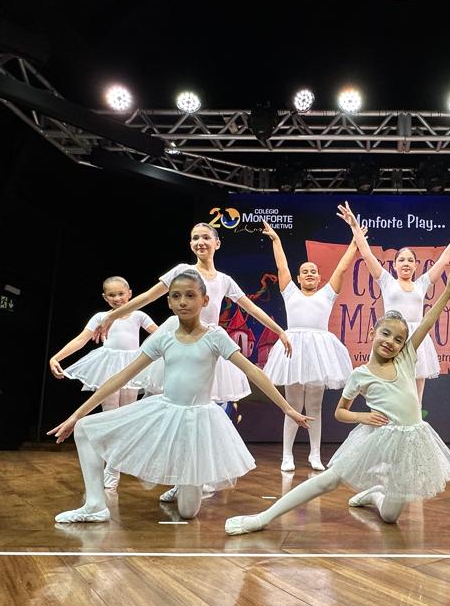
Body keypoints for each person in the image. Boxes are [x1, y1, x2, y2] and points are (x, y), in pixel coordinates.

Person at [47, 270, 309, 523]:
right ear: (169, 302)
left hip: (198, 420)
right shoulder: (164, 338)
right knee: (84, 428)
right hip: (165, 411)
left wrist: (287, 408)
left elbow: (253, 371)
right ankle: (95, 506)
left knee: (187, 512)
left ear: (205, 301)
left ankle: (186, 480)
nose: (183, 301)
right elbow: (121, 377)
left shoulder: (215, 337)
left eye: (190, 295)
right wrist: (75, 415)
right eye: (176, 296)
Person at [225, 270, 450, 534]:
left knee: (390, 516)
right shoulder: (360, 374)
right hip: (379, 437)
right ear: (373, 332)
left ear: (404, 345)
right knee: (328, 481)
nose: (390, 342)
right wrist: (362, 417)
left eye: (398, 340)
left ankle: (373, 494)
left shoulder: (406, 360)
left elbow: (427, 321)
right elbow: (340, 412)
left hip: (410, 442)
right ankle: (263, 518)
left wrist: (448, 293)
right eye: (385, 334)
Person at [96, 222, 292, 403]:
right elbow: (148, 297)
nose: (200, 242)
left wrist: (279, 331)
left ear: (217, 243)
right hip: (180, 337)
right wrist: (111, 316)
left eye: (206, 237)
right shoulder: (183, 270)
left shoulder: (224, 280)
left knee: (200, 399)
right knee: (165, 397)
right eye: (195, 238)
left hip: (207, 341)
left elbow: (252, 308)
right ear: (191, 244)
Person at [337, 201, 450, 404]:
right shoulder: (386, 281)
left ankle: (414, 422)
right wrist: (354, 226)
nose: (406, 263)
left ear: (416, 265)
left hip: (416, 338)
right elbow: (366, 253)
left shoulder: (422, 284)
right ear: (394, 265)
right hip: (392, 337)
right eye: (401, 260)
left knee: (416, 395)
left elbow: (445, 258)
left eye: (410, 260)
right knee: (389, 389)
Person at [259, 220, 358, 472]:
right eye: (305, 271)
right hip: (293, 351)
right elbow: (281, 266)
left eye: (313, 271)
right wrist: (276, 240)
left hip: (318, 354)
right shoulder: (290, 292)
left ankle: (315, 454)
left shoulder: (327, 293)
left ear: (319, 277)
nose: (310, 274)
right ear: (298, 277)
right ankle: (287, 455)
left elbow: (342, 268)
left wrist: (355, 241)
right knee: (292, 406)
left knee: (314, 406)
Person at [48, 276, 158, 491]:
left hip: (132, 366)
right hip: (108, 367)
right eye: (112, 295)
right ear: (105, 297)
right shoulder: (100, 317)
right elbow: (80, 340)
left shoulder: (139, 315)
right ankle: (111, 470)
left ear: (130, 294)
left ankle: (116, 466)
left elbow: (160, 334)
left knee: (126, 418)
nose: (117, 298)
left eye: (121, 294)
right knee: (110, 415)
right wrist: (56, 357)